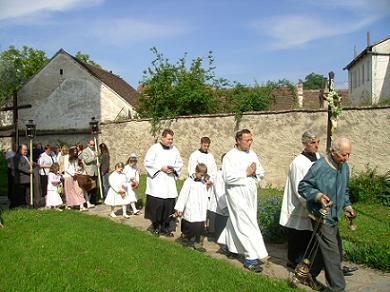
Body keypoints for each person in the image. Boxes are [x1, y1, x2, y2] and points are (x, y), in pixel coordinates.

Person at [299, 137, 356, 292]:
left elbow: (344, 190)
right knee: (333, 255)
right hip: (320, 216)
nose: (346, 158)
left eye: (348, 154)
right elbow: (303, 187)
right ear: (333, 152)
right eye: (343, 155)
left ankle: (308, 274)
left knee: (326, 248)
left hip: (334, 215)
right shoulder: (319, 167)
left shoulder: (344, 167)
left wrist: (347, 205)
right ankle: (338, 288)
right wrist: (318, 196)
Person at [217, 129, 268, 273]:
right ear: (238, 140)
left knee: (237, 221)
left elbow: (261, 171)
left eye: (251, 140)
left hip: (250, 193)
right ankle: (251, 258)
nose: (250, 143)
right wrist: (246, 173)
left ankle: (228, 246)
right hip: (236, 194)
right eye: (247, 140)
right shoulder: (229, 156)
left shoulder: (252, 154)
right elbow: (227, 177)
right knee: (245, 223)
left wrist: (255, 173)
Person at [279, 130, 321, 269]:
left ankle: (309, 261)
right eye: (313, 142)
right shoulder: (298, 163)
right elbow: (299, 187)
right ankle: (294, 261)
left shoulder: (319, 158)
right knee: (298, 234)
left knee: (310, 235)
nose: (316, 145)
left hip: (316, 201)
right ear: (304, 144)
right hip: (300, 204)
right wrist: (310, 204)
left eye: (318, 142)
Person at [144, 129, 183, 237]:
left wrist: (173, 169)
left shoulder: (175, 150)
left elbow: (179, 163)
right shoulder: (154, 148)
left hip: (169, 183)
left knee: (168, 206)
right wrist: (161, 168)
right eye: (169, 139)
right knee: (158, 206)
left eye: (172, 139)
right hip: (157, 183)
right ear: (163, 138)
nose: (171, 141)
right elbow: (147, 162)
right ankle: (156, 227)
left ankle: (166, 227)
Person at [175, 163, 209, 252]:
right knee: (188, 227)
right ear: (196, 172)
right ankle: (185, 239)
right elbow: (183, 195)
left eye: (204, 175)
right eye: (201, 175)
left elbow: (205, 196)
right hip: (191, 208)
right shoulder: (189, 182)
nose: (202, 177)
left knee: (200, 229)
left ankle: (197, 244)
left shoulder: (202, 183)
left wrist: (205, 207)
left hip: (200, 210)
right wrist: (179, 208)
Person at [207, 153, 229, 242]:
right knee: (218, 221)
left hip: (226, 202)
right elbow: (219, 191)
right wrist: (224, 204)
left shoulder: (229, 173)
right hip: (221, 203)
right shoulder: (219, 174)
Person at [64, 147, 87, 211]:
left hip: (76, 176)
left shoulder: (76, 158)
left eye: (76, 151)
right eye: (74, 151)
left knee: (79, 190)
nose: (75, 152)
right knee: (69, 192)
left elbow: (76, 166)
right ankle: (70, 204)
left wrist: (78, 170)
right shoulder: (66, 157)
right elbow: (66, 168)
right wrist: (74, 173)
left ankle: (81, 205)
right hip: (68, 176)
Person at [81, 139, 98, 206]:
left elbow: (95, 161)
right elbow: (87, 161)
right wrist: (94, 156)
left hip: (95, 171)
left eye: (93, 145)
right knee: (89, 187)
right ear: (88, 144)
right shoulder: (85, 151)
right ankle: (86, 202)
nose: (92, 146)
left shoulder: (94, 151)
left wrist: (97, 163)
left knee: (94, 187)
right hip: (89, 171)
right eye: (91, 144)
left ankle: (93, 201)